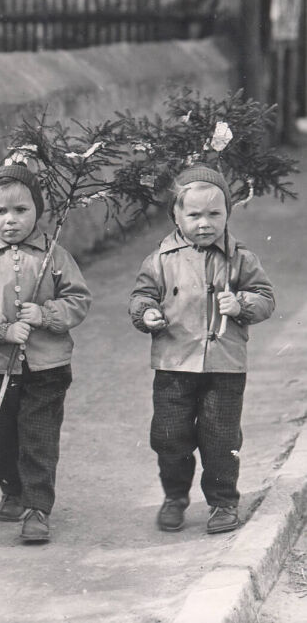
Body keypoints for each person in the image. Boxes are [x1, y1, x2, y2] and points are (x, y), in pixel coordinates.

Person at [129, 165, 274, 535]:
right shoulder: (161, 259)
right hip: (174, 362)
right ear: (176, 216)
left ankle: (223, 501)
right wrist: (147, 313)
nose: (205, 223)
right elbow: (142, 294)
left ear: (228, 212)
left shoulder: (240, 258)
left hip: (224, 365)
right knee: (168, 435)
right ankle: (175, 496)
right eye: (194, 214)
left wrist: (241, 304)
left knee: (221, 438)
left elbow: (265, 298)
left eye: (215, 213)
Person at [0, 158, 91, 543]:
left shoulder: (54, 255)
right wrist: (2, 328)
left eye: (20, 210)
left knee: (39, 437)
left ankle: (37, 507)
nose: (10, 220)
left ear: (37, 210)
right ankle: (12, 490)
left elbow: (78, 299)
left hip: (47, 366)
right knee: (1, 435)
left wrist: (47, 313)